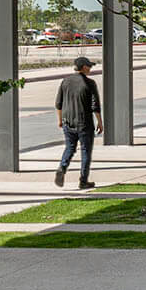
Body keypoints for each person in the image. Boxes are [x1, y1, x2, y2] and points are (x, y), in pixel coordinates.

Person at [54, 56, 103, 190]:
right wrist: (100, 122)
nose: (91, 68)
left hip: (67, 122)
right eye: (89, 66)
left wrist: (60, 120)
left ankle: (62, 168)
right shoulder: (90, 83)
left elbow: (58, 104)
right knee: (86, 150)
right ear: (84, 67)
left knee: (70, 147)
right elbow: (95, 105)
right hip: (84, 123)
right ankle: (83, 180)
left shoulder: (65, 81)